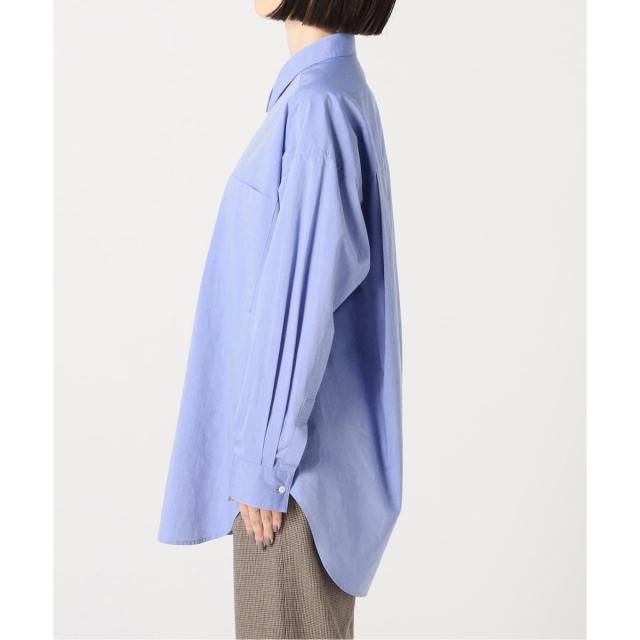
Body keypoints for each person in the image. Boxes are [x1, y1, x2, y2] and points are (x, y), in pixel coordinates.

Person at [158, 1, 401, 637]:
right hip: (293, 473)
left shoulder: (318, 108)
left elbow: (301, 296)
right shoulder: (326, 94)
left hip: (289, 486)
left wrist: (263, 466)